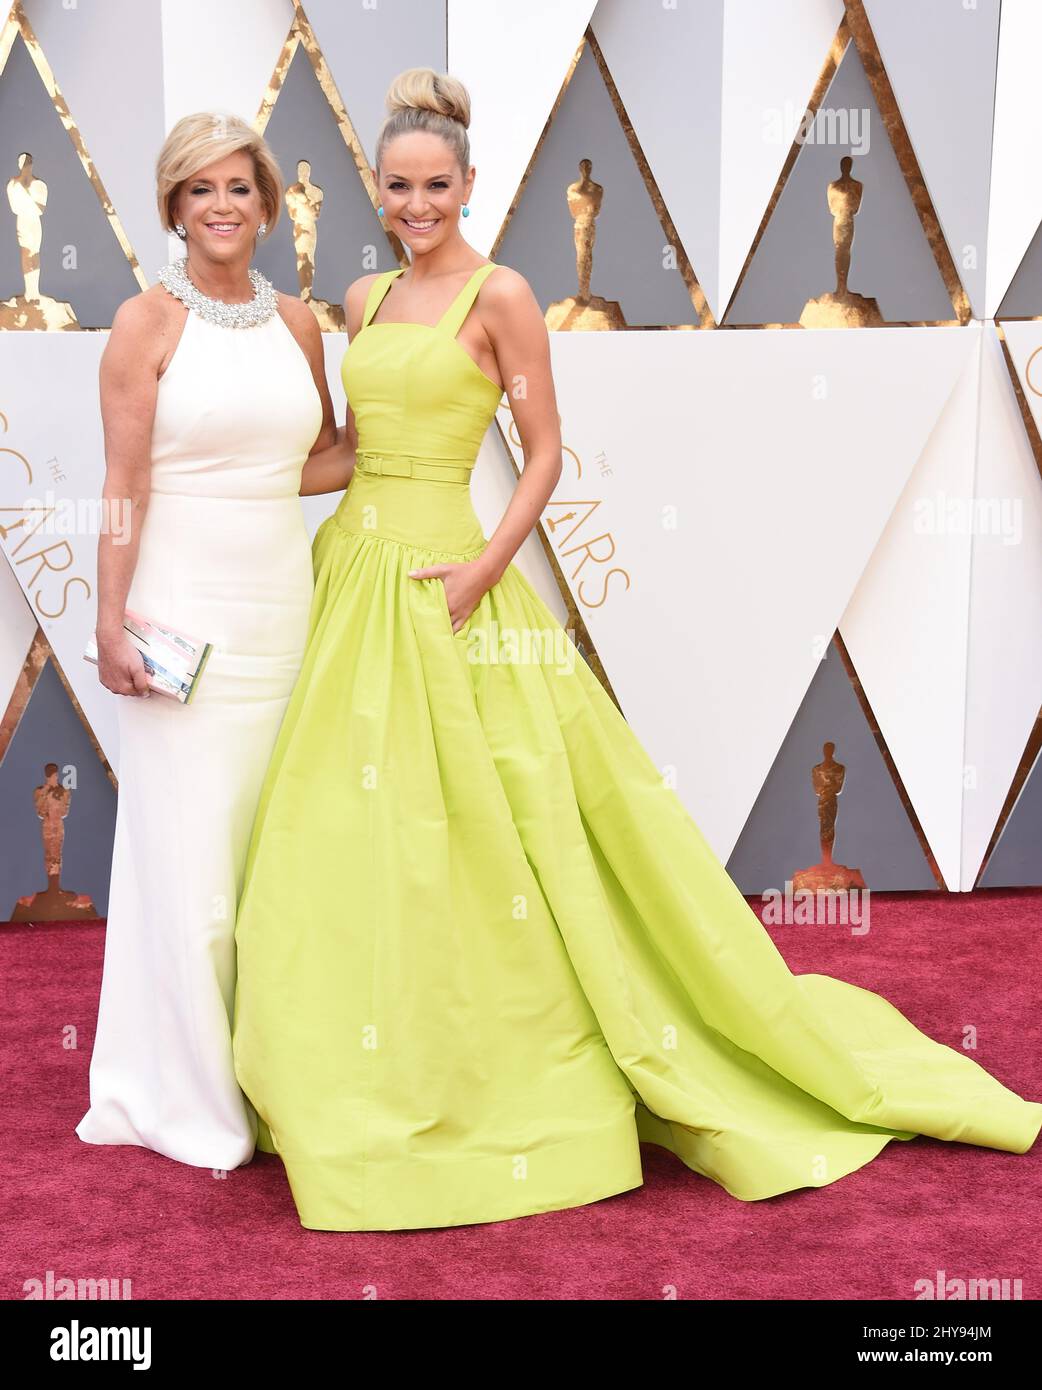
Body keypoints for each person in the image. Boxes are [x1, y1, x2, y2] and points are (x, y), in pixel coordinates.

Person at [231, 69, 1042, 1229]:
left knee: (496, 835)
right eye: (399, 186)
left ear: (472, 184)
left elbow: (548, 451)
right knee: (340, 833)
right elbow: (349, 449)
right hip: (352, 583)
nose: (417, 204)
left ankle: (501, 1066)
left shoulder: (503, 294)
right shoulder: (359, 300)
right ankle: (341, 1062)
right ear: (381, 186)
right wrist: (205, 478)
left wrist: (480, 571)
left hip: (448, 584)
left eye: (437, 186)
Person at [76, 112, 349, 1169]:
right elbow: (122, 484)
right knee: (189, 868)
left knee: (265, 863)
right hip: (178, 614)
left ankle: (266, 1071)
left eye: (239, 187)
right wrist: (108, 621)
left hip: (279, 611)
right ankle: (182, 1095)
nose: (223, 206)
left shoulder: (299, 324)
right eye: (201, 190)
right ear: (174, 208)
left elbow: (313, 461)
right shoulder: (143, 325)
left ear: (268, 202)